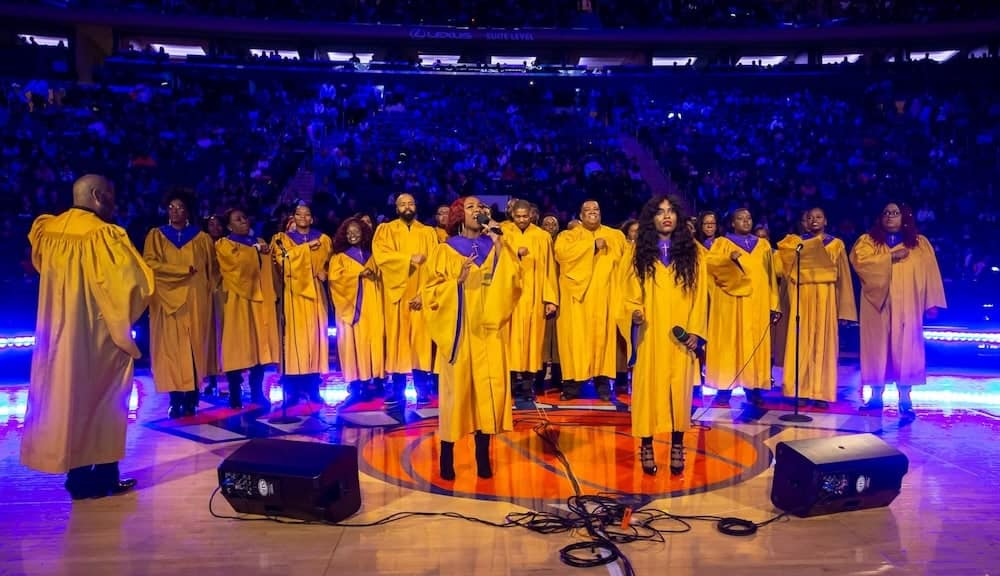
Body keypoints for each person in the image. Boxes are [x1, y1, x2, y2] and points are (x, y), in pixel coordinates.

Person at [21, 174, 153, 499]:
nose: (114, 204)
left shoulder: (47, 230)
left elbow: (38, 262)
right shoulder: (103, 235)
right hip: (95, 336)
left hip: (56, 334)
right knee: (106, 402)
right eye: (110, 196)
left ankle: (77, 479)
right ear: (97, 196)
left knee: (68, 402)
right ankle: (106, 476)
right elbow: (135, 286)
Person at [422, 196, 522, 480]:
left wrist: (501, 246)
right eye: (470, 207)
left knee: (486, 396)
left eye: (480, 207)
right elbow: (430, 292)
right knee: (457, 396)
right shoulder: (445, 250)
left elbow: (514, 281)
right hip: (459, 330)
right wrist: (457, 283)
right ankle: (447, 456)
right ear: (458, 215)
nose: (477, 210)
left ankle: (482, 456)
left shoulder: (496, 245)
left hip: (489, 332)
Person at [621, 195, 708, 475]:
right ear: (651, 219)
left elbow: (700, 296)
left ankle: (677, 444)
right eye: (660, 212)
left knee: (679, 393)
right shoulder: (638, 252)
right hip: (649, 333)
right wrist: (634, 311)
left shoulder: (693, 252)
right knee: (647, 391)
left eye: (671, 211)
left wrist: (695, 331)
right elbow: (626, 292)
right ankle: (646, 443)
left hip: (680, 336)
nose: (666, 216)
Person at [850, 202, 946, 420]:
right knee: (877, 349)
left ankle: (905, 399)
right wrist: (890, 257)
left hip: (908, 305)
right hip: (877, 304)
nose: (890, 217)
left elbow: (931, 272)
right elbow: (860, 262)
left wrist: (931, 302)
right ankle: (875, 397)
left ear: (904, 217)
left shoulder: (920, 244)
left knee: (907, 349)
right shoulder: (868, 242)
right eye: (886, 213)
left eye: (895, 213)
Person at [143, 190, 217, 418]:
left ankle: (192, 398)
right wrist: (181, 271)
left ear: (188, 212)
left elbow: (212, 270)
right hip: (166, 301)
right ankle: (175, 399)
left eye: (180, 208)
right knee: (170, 351)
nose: (175, 211)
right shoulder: (156, 236)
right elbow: (149, 265)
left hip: (195, 300)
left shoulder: (201, 238)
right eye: (171, 208)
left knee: (194, 348)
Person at [776, 207, 857, 408]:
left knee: (824, 343)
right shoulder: (796, 244)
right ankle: (800, 390)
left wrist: (844, 309)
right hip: (801, 296)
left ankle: (821, 392)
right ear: (805, 221)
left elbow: (844, 278)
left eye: (819, 217)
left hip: (826, 297)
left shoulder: (836, 244)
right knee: (801, 342)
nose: (814, 220)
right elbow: (785, 270)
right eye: (810, 217)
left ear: (826, 221)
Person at [704, 208, 780, 407]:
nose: (746, 221)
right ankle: (723, 389)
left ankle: (753, 388)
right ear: (732, 223)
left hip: (758, 302)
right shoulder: (721, 243)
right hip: (730, 302)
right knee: (729, 343)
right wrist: (728, 260)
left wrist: (774, 303)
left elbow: (771, 275)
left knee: (754, 344)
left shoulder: (763, 244)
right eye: (740, 218)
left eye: (749, 218)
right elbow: (710, 266)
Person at [554, 200, 627, 401]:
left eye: (596, 209)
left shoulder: (615, 236)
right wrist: (591, 246)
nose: (592, 213)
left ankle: (603, 386)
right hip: (577, 300)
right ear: (580, 215)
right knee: (575, 342)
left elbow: (626, 264)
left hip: (605, 299)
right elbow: (561, 255)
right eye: (588, 210)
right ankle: (571, 386)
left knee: (603, 342)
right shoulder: (568, 236)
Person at [372, 193, 439, 407]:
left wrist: (424, 293)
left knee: (420, 342)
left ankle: (422, 390)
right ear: (396, 208)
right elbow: (381, 257)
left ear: (416, 206)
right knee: (397, 342)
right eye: (403, 204)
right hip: (396, 295)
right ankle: (398, 390)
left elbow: (434, 265)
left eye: (411, 203)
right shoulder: (385, 230)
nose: (407, 207)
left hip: (420, 294)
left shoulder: (428, 233)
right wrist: (407, 259)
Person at [215, 209, 280, 407]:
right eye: (238, 219)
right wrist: (255, 251)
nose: (244, 221)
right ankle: (235, 391)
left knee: (258, 345)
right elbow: (235, 266)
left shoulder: (258, 241)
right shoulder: (224, 244)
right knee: (237, 346)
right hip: (236, 299)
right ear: (229, 226)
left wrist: (267, 254)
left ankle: (257, 391)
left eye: (244, 217)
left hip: (258, 299)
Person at [270, 203, 333, 407]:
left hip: (315, 294)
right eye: (298, 214)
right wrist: (306, 249)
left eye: (307, 214)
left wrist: (324, 271)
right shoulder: (281, 239)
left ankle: (313, 389)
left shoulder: (323, 239)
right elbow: (283, 262)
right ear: (293, 217)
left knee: (315, 341)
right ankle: (292, 392)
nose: (303, 217)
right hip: (293, 295)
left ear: (312, 219)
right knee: (294, 343)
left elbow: (327, 264)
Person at [505, 200, 558, 409]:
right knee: (508, 342)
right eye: (517, 216)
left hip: (534, 298)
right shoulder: (503, 232)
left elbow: (549, 270)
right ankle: (508, 385)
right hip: (509, 297)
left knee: (531, 343)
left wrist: (550, 299)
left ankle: (528, 387)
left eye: (524, 216)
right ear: (512, 215)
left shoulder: (542, 237)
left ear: (531, 215)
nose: (521, 220)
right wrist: (515, 254)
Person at [328, 217, 385, 405]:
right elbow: (335, 281)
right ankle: (355, 387)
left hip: (372, 306)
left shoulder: (373, 255)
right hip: (351, 308)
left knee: (373, 342)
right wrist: (357, 274)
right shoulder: (339, 258)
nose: (352, 235)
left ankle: (375, 382)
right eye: (348, 232)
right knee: (352, 346)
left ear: (363, 232)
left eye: (356, 231)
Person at [536, 214, 563, 394]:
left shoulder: (563, 243)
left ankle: (558, 379)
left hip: (562, 295)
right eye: (546, 223)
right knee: (543, 342)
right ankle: (538, 381)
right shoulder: (538, 242)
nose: (550, 226)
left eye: (553, 223)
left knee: (559, 341)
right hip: (543, 296)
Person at [202, 214, 226, 396]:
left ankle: (232, 378)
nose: (214, 227)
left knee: (226, 335)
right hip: (207, 292)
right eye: (211, 224)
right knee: (210, 336)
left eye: (217, 224)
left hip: (225, 292)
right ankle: (211, 378)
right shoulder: (202, 242)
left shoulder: (228, 243)